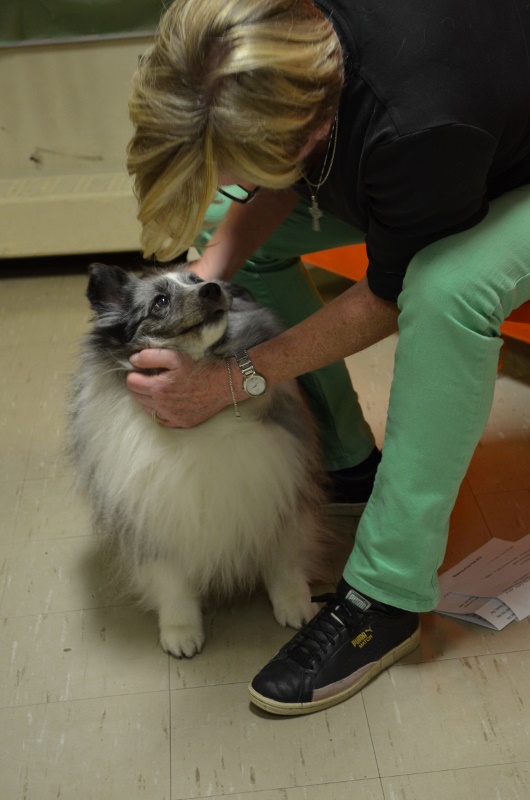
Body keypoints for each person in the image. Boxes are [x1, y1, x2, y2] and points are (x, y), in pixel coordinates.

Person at [125, 0, 530, 715]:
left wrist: (234, 379)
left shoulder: (417, 124)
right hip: (451, 124)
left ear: (313, 127)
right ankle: (349, 462)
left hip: (493, 149)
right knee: (232, 225)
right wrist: (204, 283)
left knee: (444, 291)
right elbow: (281, 178)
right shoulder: (288, 40)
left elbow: (385, 295)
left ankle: (387, 595)